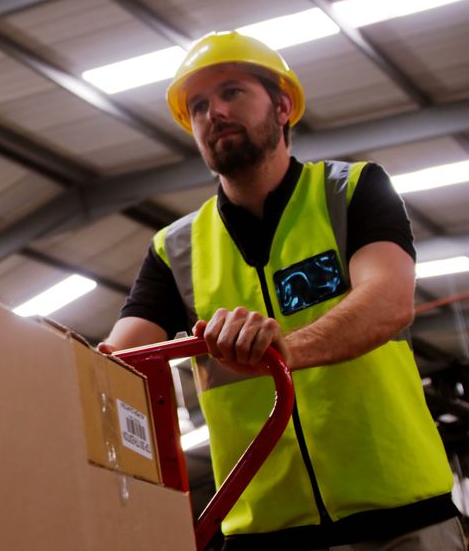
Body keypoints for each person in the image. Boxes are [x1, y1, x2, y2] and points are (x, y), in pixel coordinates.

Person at [98, 31, 462, 550]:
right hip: (266, 534)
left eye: (231, 92)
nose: (213, 112)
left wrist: (285, 351)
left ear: (284, 105)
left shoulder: (352, 190)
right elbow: (119, 361)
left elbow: (389, 300)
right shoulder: (173, 250)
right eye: (198, 106)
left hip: (401, 521)